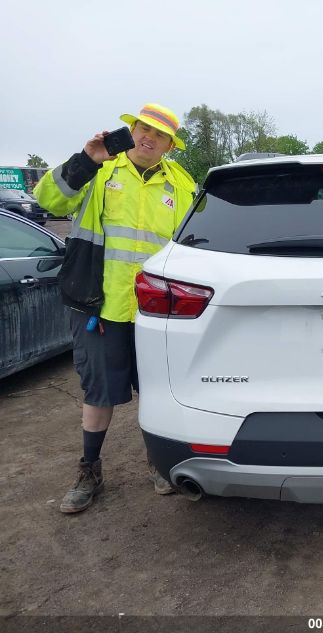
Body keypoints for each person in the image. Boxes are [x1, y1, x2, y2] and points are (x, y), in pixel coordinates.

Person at [34, 103, 197, 514]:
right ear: (132, 130)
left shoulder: (182, 184)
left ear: (168, 146)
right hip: (100, 306)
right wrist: (85, 160)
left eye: (158, 135)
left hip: (158, 313)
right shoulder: (101, 170)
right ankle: (89, 470)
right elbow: (48, 200)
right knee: (99, 393)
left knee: (159, 391)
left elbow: (194, 249)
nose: (147, 137)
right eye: (143, 129)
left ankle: (159, 464)